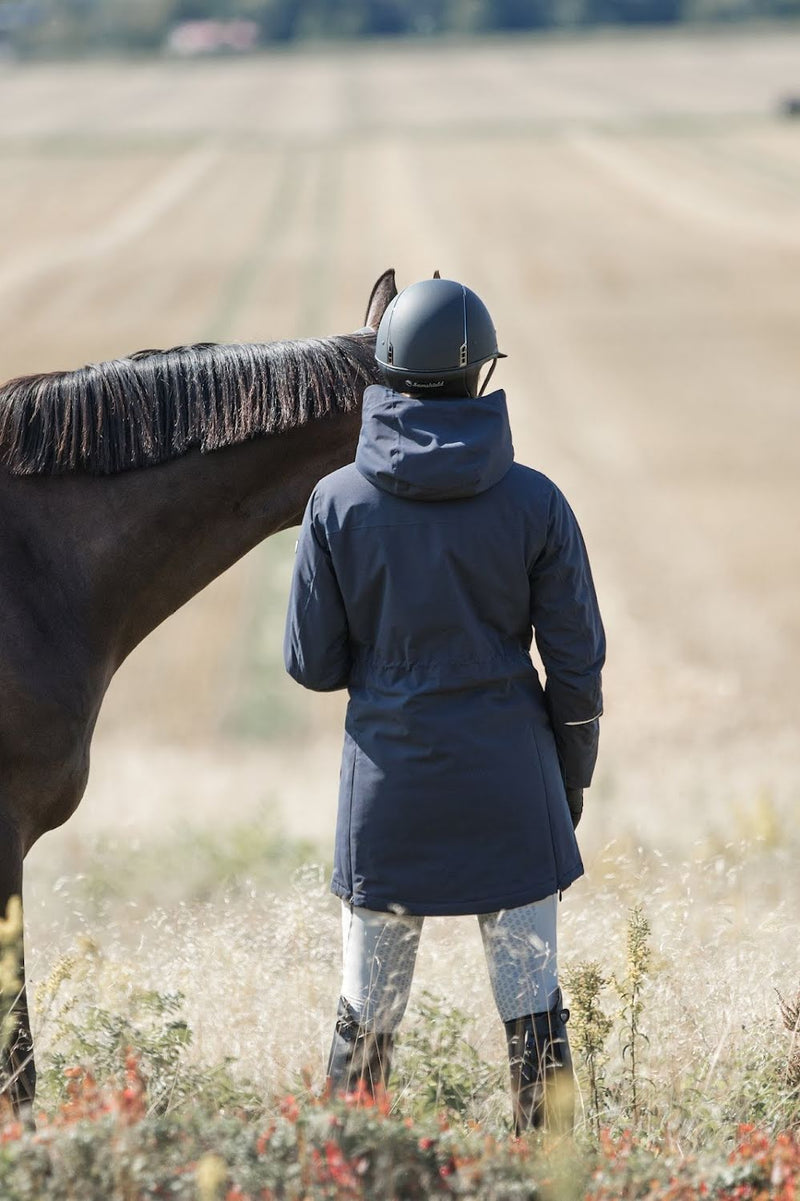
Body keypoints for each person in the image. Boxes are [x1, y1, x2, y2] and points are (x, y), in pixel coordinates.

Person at [283, 277, 605, 1134]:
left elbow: (310, 664)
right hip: (513, 786)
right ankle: (554, 1182)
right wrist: (567, 785)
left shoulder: (335, 502)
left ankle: (348, 1178)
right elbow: (577, 668)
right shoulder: (537, 501)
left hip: (387, 796)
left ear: (385, 372)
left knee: (367, 1023)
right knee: (536, 1019)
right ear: (482, 379)